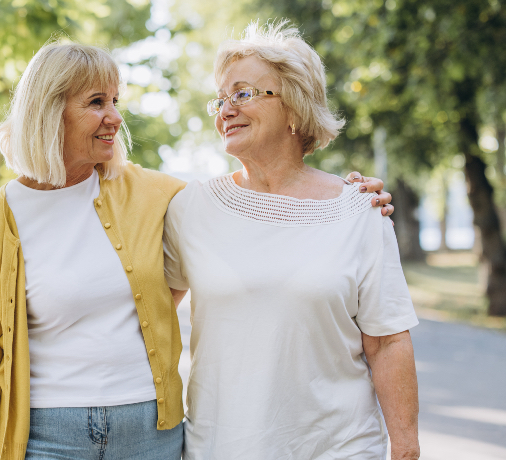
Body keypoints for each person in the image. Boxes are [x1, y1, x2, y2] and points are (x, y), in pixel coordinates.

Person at [0, 40, 392, 460]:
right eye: (96, 102)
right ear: (50, 111)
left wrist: (346, 194)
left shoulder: (155, 194)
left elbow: (254, 196)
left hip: (151, 431)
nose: (114, 117)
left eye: (114, 100)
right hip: (49, 434)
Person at [164, 21, 420, 460]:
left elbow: (388, 342)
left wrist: (406, 450)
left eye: (243, 94)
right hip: (221, 448)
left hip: (339, 448)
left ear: (296, 110)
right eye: (222, 98)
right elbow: (148, 314)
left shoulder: (359, 210)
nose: (225, 109)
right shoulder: (190, 208)